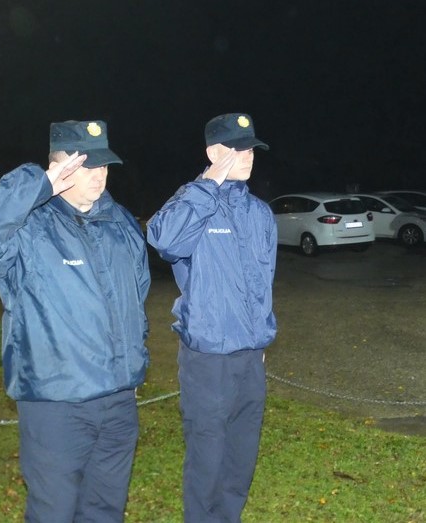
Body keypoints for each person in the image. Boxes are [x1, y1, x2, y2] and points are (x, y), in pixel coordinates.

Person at [0, 120, 150, 523]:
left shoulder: (120, 223)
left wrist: (132, 365)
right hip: (56, 404)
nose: (99, 175)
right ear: (59, 166)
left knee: (105, 511)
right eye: (86, 166)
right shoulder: (27, 227)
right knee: (53, 512)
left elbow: (137, 297)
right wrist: (36, 185)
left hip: (117, 403)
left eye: (104, 166)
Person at [146, 113, 277, 522]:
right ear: (213, 152)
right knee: (208, 460)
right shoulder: (194, 205)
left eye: (251, 147)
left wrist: (260, 338)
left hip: (250, 358)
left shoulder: (260, 213)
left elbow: (264, 283)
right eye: (237, 148)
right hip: (208, 360)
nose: (248, 155)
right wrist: (207, 185)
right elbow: (164, 240)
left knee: (240, 459)